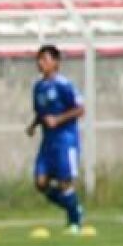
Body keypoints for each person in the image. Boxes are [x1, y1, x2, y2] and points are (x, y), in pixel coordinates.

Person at [25, 45, 85, 234]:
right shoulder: (38, 87)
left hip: (65, 141)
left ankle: (74, 222)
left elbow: (79, 109)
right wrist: (33, 125)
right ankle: (74, 207)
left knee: (65, 183)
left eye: (45, 59)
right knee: (40, 182)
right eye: (39, 59)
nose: (40, 63)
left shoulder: (64, 85)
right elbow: (41, 112)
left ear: (56, 62)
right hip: (48, 143)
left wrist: (58, 120)